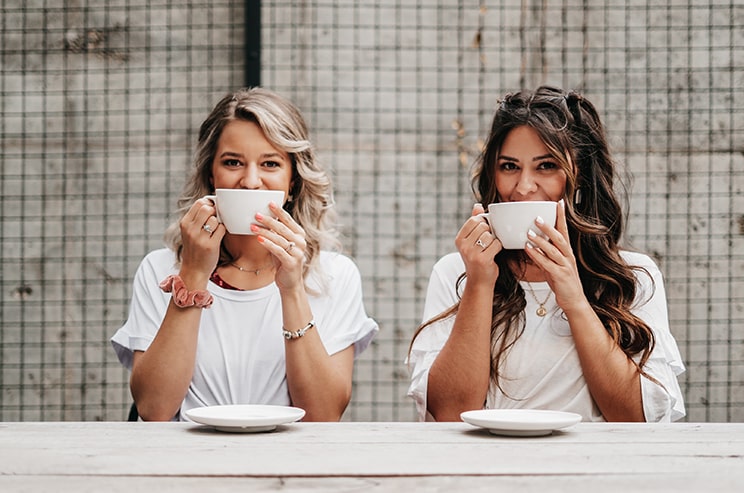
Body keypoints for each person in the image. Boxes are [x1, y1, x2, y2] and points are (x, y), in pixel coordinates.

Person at [407, 86, 685, 422]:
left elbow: (638, 418)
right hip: (487, 455)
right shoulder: (457, 271)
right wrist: (479, 283)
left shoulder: (633, 274)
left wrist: (574, 298)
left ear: (580, 176)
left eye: (546, 166)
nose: (523, 187)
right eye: (509, 166)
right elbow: (449, 413)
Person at [112, 88, 378, 421]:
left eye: (270, 163)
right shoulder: (161, 269)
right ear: (212, 176)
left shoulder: (335, 275)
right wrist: (193, 274)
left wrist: (292, 288)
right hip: (188, 451)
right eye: (233, 162)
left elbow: (323, 415)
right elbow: (153, 409)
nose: (251, 182)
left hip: (290, 453)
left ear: (293, 181)